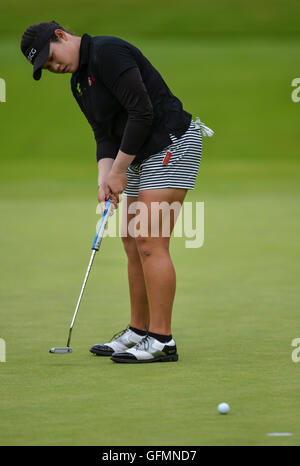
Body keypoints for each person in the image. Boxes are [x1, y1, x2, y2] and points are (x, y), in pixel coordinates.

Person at [20, 20, 213, 364]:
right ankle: (139, 331)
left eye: (51, 58)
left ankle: (161, 340)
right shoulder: (79, 83)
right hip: (139, 152)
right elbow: (103, 133)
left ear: (61, 36)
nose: (54, 67)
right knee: (129, 238)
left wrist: (119, 171)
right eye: (46, 67)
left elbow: (142, 111)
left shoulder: (108, 52)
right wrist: (104, 176)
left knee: (150, 242)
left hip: (171, 143)